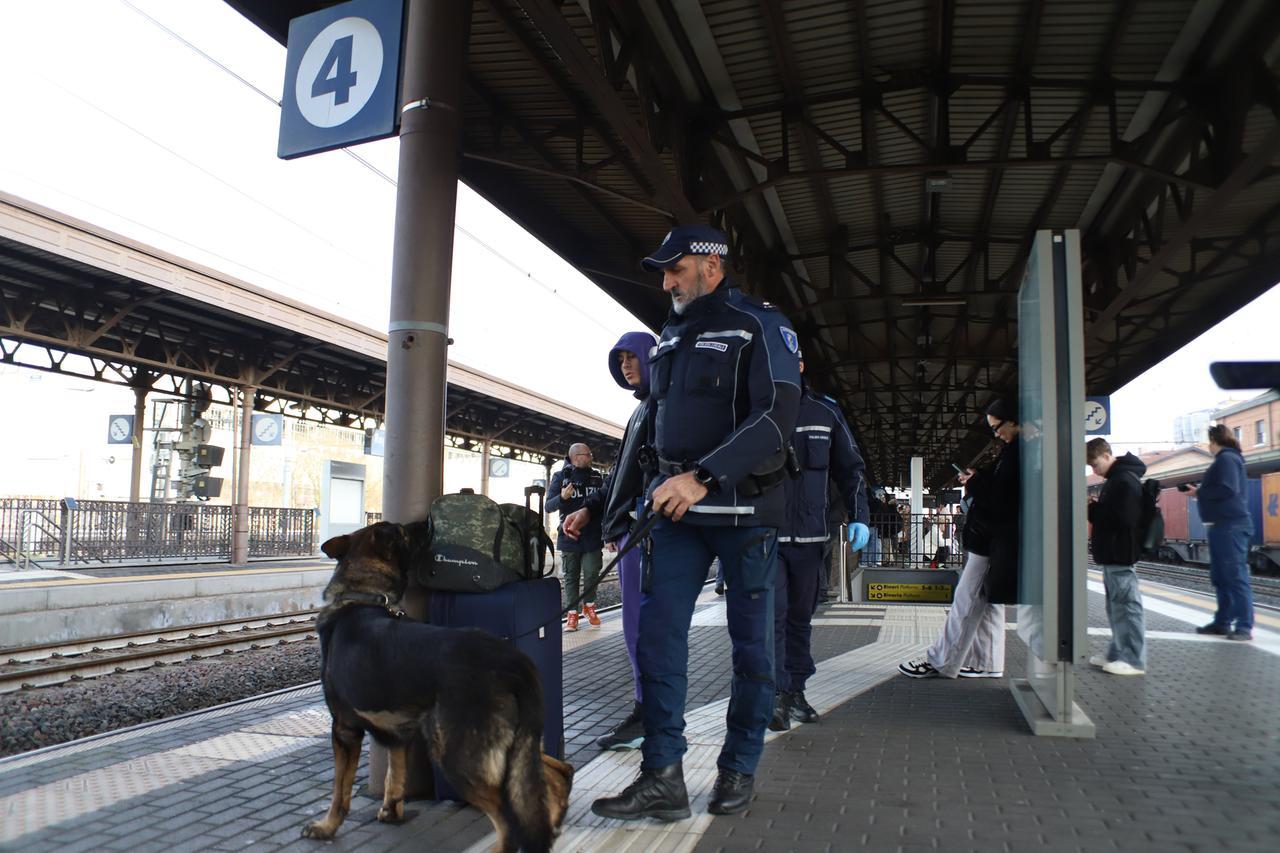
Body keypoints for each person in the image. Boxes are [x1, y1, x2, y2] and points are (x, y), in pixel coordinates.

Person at [590, 224, 801, 822]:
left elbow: (777, 416)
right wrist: (634, 492)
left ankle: (738, 768)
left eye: (674, 268)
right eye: (662, 271)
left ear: (711, 265)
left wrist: (702, 477)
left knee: (751, 648)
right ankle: (662, 777)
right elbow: (653, 425)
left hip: (743, 512)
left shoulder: (760, 323)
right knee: (658, 640)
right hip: (676, 512)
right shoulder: (673, 332)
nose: (666, 281)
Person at [561, 331, 658, 750]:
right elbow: (621, 476)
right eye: (619, 360)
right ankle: (647, 709)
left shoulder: (662, 409)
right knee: (638, 629)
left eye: (631, 357)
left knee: (644, 631)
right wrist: (591, 509)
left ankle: (649, 714)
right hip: (631, 533)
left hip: (646, 536)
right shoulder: (641, 412)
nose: (625, 365)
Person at [769, 353, 869, 731]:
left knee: (800, 618)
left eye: (788, 360)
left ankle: (796, 690)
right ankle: (777, 694)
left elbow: (851, 468)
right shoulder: (756, 410)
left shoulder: (825, 413)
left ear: (800, 366)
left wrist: (861, 516)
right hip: (767, 536)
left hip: (812, 539)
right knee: (773, 617)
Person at [898, 398, 1018, 679]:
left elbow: (1003, 499)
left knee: (965, 600)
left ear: (1013, 420)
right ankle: (987, 663)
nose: (995, 433)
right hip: (993, 539)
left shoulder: (1018, 454)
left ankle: (942, 660)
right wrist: (980, 476)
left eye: (997, 427)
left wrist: (976, 483)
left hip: (990, 539)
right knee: (986, 603)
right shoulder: (1014, 451)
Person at [1085, 438, 1148, 675]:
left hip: (1120, 553)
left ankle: (1133, 659)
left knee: (1127, 607)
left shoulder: (1122, 481)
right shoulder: (1118, 479)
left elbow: (1124, 519)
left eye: (1094, 464)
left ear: (1107, 455)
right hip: (1114, 553)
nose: (1094, 470)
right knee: (1116, 607)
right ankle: (1117, 652)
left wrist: (1094, 509)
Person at [1188, 424, 1254, 641]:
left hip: (1230, 526)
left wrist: (1201, 491)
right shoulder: (1229, 459)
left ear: (1213, 441)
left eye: (1209, 442)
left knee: (1235, 577)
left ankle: (1244, 626)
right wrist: (1201, 492)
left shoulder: (1226, 459)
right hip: (1223, 526)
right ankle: (1222, 622)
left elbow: (1227, 488)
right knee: (1222, 577)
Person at [545, 443, 605, 631]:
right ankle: (572, 615)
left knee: (591, 572)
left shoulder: (597, 477)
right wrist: (562, 497)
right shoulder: (560, 477)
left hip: (593, 535)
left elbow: (605, 502)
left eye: (590, 454)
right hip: (568, 535)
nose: (590, 457)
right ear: (575, 457)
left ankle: (589, 606)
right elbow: (549, 506)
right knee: (571, 576)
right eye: (587, 454)